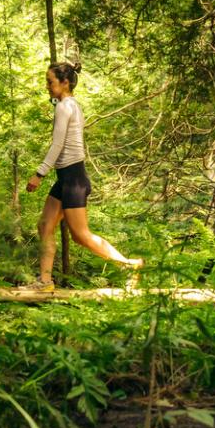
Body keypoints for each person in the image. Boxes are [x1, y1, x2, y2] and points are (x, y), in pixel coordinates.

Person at [26, 61, 142, 289]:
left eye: (50, 82)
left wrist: (39, 174)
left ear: (65, 82)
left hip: (73, 180)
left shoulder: (64, 107)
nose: (47, 86)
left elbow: (57, 144)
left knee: (81, 235)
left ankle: (128, 264)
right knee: (44, 226)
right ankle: (45, 281)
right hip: (66, 178)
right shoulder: (71, 105)